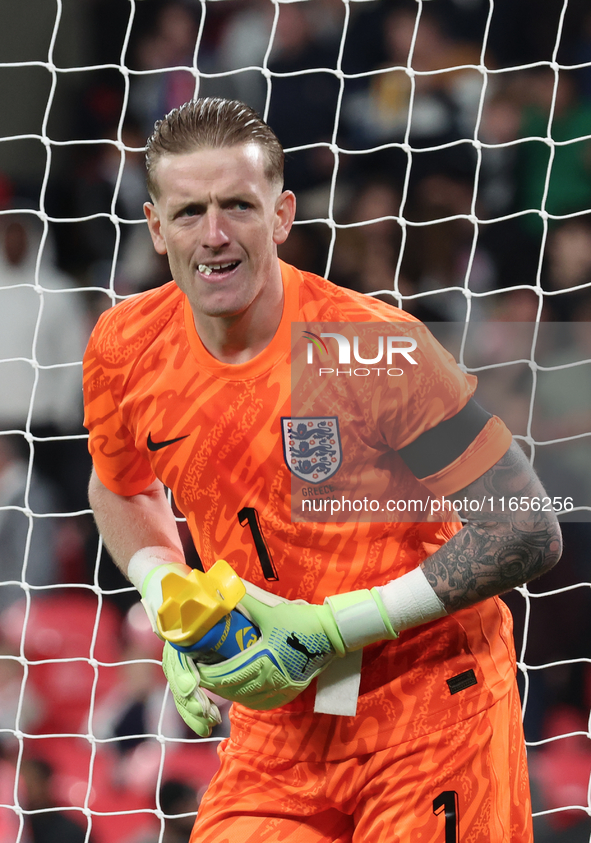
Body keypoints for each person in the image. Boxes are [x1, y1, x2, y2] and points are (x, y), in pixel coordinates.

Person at [83, 97, 562, 842]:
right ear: (152, 226)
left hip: (429, 708)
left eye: (238, 205)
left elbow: (526, 528)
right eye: (188, 212)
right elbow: (118, 484)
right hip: (278, 728)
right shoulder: (123, 345)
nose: (214, 235)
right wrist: (164, 585)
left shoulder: (371, 348)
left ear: (281, 216)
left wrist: (332, 628)